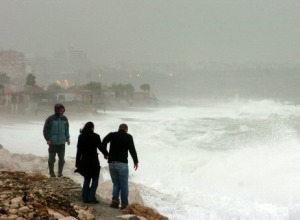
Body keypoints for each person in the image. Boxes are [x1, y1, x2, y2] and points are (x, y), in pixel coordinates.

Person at [102, 123, 139, 210]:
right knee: (124, 185)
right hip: (122, 164)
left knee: (116, 183)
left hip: (111, 163)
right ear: (126, 129)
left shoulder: (112, 135)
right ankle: (124, 205)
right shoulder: (128, 137)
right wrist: (136, 161)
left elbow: (103, 141)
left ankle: (115, 201)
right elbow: (132, 150)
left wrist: (105, 153)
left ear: (119, 129)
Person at [75, 121, 108, 204]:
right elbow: (100, 147)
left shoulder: (81, 137)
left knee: (87, 179)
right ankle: (91, 197)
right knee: (95, 179)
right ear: (92, 128)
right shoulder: (96, 136)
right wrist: (106, 154)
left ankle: (85, 198)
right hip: (94, 161)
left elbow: (79, 151)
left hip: (85, 160)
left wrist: (77, 164)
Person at [43, 103, 70, 178]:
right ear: (56, 110)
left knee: (62, 159)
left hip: (62, 142)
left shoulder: (65, 119)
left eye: (62, 109)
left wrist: (67, 138)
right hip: (53, 142)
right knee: (51, 159)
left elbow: (67, 129)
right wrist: (48, 139)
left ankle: (60, 173)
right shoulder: (50, 119)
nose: (62, 111)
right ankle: (52, 173)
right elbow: (46, 130)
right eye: (60, 109)